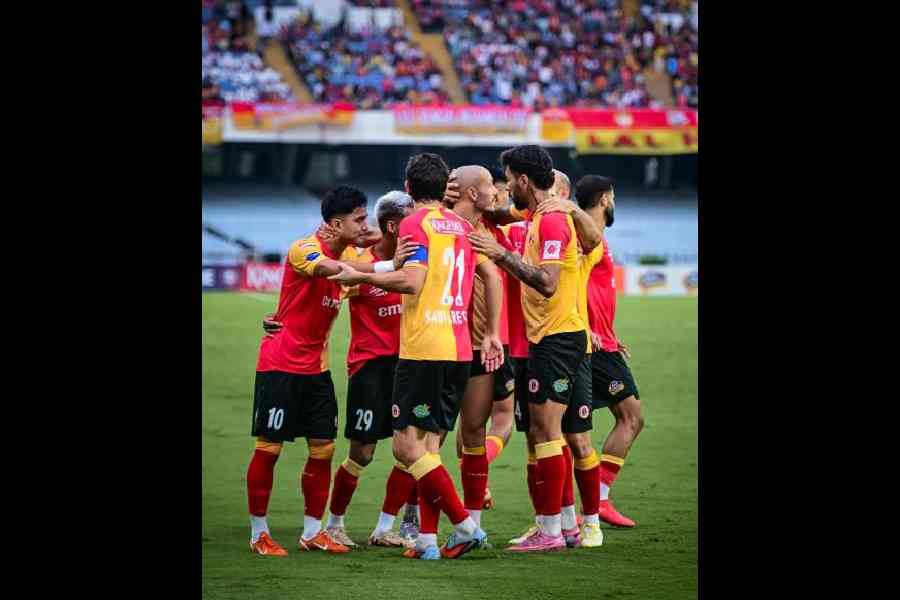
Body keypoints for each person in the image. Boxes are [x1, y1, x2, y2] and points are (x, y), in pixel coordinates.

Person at [328, 154, 504, 560]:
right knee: (428, 447)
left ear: (409, 187)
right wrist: (491, 332)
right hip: (460, 349)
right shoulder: (463, 226)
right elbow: (492, 274)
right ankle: (426, 538)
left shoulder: (415, 223)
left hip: (424, 348)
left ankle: (464, 526)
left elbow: (411, 281)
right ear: (444, 187)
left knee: (407, 449)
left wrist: (362, 276)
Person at [262, 191, 419, 549]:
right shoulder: (356, 263)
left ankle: (385, 527)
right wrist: (279, 319)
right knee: (361, 453)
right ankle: (333, 523)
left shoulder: (414, 266)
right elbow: (322, 290)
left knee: (412, 449)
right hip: (369, 367)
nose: (367, 227)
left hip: (408, 364)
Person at [467, 146, 590, 552]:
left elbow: (548, 282)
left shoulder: (552, 220)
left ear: (522, 180)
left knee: (546, 432)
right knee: (542, 434)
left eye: (507, 179)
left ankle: (551, 532)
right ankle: (566, 527)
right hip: (547, 337)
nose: (504, 187)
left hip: (558, 337)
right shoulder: (537, 215)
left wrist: (500, 254)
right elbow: (504, 214)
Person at [246, 186, 377, 556]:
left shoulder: (351, 252)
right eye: (358, 219)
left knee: (324, 448)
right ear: (336, 223)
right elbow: (332, 271)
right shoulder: (305, 249)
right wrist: (382, 267)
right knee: (269, 447)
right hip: (281, 364)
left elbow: (372, 253)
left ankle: (312, 532)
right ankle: (259, 534)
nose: (364, 225)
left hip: (316, 369)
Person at [576, 175, 645, 528]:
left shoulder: (596, 236)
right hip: (590, 344)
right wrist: (588, 329)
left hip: (602, 341)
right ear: (605, 199)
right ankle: (597, 501)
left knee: (625, 418)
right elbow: (570, 282)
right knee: (631, 417)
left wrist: (610, 333)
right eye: (613, 197)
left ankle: (592, 502)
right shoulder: (588, 237)